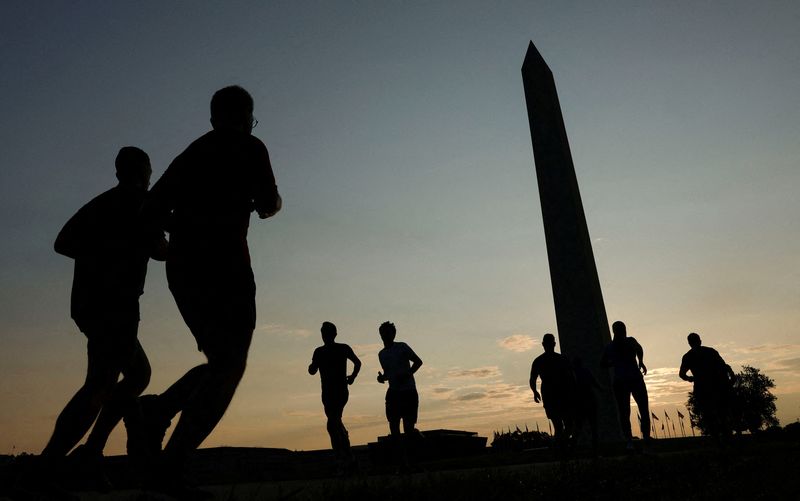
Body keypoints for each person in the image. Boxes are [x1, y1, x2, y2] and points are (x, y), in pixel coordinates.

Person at [132, 85, 281, 492]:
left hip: (185, 270)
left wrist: (170, 243)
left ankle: (158, 413)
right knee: (229, 366)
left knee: (220, 362)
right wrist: (260, 203)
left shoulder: (191, 154)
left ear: (213, 118)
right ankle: (170, 466)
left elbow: (150, 211)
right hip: (226, 267)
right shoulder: (251, 148)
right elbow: (269, 202)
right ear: (246, 117)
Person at [42, 147, 164, 483]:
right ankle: (49, 468)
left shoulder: (107, 203)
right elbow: (159, 250)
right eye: (148, 169)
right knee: (100, 385)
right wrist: (118, 252)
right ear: (142, 170)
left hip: (95, 305)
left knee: (132, 376)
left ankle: (87, 453)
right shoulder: (133, 203)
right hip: (113, 305)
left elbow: (64, 243)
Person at [308, 321, 362, 473]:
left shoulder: (342, 348)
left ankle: (341, 458)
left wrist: (352, 377)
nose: (326, 336)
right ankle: (347, 456)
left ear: (334, 334)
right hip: (327, 393)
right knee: (334, 425)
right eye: (324, 333)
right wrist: (312, 367)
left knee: (332, 423)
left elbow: (358, 363)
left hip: (340, 391)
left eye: (328, 333)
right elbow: (312, 370)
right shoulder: (319, 352)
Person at [376, 321, 422, 470]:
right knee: (394, 429)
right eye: (383, 333)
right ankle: (402, 463)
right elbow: (389, 374)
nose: (385, 336)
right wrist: (382, 378)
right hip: (393, 393)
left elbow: (418, 362)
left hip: (408, 391)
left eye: (388, 333)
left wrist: (407, 374)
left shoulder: (402, 347)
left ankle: (413, 460)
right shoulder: (381, 354)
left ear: (393, 334)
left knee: (408, 429)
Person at [601, 320, 650, 449]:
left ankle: (630, 440)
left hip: (622, 380)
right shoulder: (629, 341)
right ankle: (644, 437)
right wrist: (640, 361)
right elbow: (639, 349)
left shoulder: (610, 347)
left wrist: (615, 363)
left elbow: (602, 363)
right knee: (641, 409)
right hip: (633, 378)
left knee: (625, 412)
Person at [679, 332, 735, 439]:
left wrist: (690, 379)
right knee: (721, 414)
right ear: (700, 341)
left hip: (703, 388)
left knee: (709, 416)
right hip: (716, 387)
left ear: (689, 343)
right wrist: (731, 377)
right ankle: (726, 439)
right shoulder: (710, 351)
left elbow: (682, 374)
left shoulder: (688, 356)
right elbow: (725, 366)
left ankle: (718, 440)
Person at [529, 334, 577, 450]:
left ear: (543, 344)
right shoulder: (561, 359)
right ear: (554, 344)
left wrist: (535, 392)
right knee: (565, 424)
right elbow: (571, 377)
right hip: (558, 394)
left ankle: (560, 445)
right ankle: (561, 445)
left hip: (555, 394)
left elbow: (532, 379)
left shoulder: (540, 360)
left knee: (561, 425)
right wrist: (535, 392)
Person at [572, 356, 600, 453]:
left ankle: (574, 446)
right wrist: (603, 389)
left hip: (580, 401)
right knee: (593, 425)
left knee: (579, 426)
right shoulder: (585, 371)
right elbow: (595, 383)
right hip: (588, 400)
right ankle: (594, 448)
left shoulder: (572, 374)